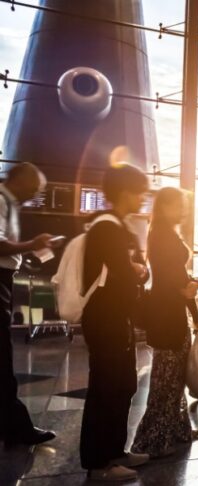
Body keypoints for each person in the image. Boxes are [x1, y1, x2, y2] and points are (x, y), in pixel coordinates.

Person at [80, 163, 151, 481]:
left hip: (115, 317)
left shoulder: (116, 225)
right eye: (140, 192)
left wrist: (138, 270)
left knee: (124, 385)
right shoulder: (106, 226)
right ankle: (98, 464)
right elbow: (125, 272)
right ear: (126, 192)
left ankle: (115, 452)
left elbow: (135, 269)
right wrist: (136, 270)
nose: (142, 199)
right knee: (106, 389)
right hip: (105, 318)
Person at [132, 187, 198, 458]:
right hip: (167, 314)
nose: (184, 210)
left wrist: (190, 291)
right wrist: (187, 289)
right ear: (165, 207)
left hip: (170, 311)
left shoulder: (163, 233)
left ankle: (176, 429)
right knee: (166, 377)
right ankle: (152, 439)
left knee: (173, 376)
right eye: (180, 205)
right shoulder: (163, 235)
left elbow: (177, 276)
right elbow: (172, 277)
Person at [0, 163, 58, 447]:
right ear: (19, 179)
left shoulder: (9, 205)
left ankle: (12, 426)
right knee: (1, 357)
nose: (35, 194)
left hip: (4, 279)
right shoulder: (0, 200)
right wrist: (31, 244)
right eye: (34, 188)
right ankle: (16, 428)